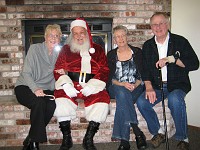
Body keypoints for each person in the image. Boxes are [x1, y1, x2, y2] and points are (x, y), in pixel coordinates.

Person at [136, 12, 199, 150]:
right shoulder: (148, 45)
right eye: (154, 24)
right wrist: (148, 86)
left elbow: (194, 64)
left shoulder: (180, 41)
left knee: (175, 100)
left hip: (177, 85)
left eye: (161, 23)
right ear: (151, 27)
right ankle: (159, 132)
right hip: (157, 86)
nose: (158, 27)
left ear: (167, 24)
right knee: (141, 102)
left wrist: (172, 59)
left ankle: (183, 137)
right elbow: (145, 69)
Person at [53, 18, 110, 150]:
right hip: (72, 84)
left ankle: (88, 138)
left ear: (87, 32)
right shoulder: (66, 50)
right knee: (60, 98)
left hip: (92, 85)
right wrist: (66, 85)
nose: (78, 36)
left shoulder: (98, 49)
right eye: (75, 33)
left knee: (102, 100)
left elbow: (104, 70)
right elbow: (58, 69)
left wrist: (93, 85)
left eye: (81, 32)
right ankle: (67, 138)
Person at [14, 24, 62, 150]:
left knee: (51, 105)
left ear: (59, 39)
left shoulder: (59, 54)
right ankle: (35, 143)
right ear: (45, 37)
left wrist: (63, 72)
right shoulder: (35, 49)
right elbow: (26, 73)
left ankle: (30, 137)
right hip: (25, 86)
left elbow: (61, 73)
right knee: (39, 103)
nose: (54, 38)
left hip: (45, 89)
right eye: (51, 35)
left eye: (57, 36)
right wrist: (35, 89)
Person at [106, 25, 147, 150]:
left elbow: (143, 73)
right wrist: (122, 84)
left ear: (127, 36)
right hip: (117, 87)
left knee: (123, 101)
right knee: (122, 93)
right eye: (117, 36)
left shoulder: (137, 52)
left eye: (123, 35)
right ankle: (137, 131)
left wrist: (136, 84)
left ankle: (124, 141)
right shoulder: (111, 55)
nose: (121, 38)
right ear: (114, 40)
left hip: (136, 86)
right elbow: (109, 79)